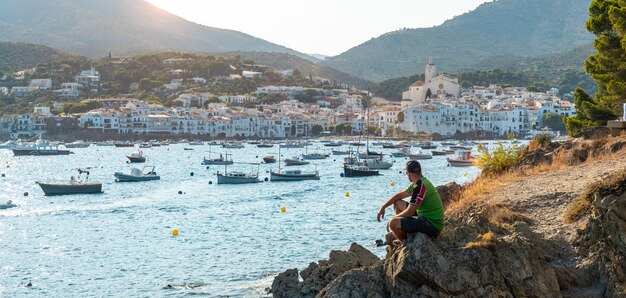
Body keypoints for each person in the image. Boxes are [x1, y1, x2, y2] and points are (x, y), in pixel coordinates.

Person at [377, 160, 445, 245]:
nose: (406, 175)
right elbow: (400, 195)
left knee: (393, 223)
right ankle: (404, 234)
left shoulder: (420, 187)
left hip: (432, 225)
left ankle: (406, 242)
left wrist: (392, 220)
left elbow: (410, 212)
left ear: (409, 173)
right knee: (397, 203)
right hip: (425, 217)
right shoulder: (419, 182)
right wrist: (383, 206)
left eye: (406, 173)